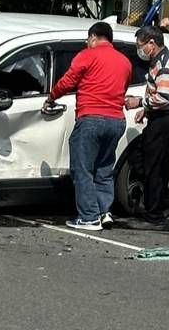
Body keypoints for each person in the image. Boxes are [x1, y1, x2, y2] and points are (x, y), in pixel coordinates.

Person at [46, 21, 132, 231]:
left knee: (82, 169)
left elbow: (68, 81)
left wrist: (51, 97)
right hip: (116, 121)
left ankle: (88, 217)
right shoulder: (125, 62)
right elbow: (123, 87)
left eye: (88, 40)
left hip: (91, 118)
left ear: (93, 37)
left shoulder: (87, 55)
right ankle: (104, 212)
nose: (87, 43)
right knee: (104, 168)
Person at [123, 25, 169, 229]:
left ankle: (155, 215)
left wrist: (139, 103)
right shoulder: (157, 61)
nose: (140, 50)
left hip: (166, 121)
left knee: (156, 167)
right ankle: (160, 202)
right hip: (160, 119)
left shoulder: (165, 63)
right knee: (149, 162)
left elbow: (164, 97)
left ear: (152, 43)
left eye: (141, 46)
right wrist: (148, 111)